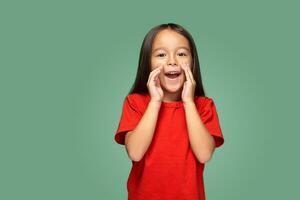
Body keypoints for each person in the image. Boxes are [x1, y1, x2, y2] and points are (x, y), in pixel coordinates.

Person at [114, 23, 225, 200]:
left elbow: (204, 155)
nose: (172, 61)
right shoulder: (135, 102)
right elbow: (135, 152)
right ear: (147, 63)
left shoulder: (204, 105)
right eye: (161, 54)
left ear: (192, 62)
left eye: (181, 54)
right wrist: (155, 101)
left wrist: (188, 102)